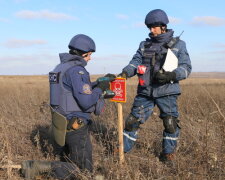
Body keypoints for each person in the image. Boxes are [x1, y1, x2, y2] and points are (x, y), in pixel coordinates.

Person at [21, 34, 115, 179]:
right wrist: (100, 89)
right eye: (90, 55)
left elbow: (71, 90)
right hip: (76, 126)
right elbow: (86, 101)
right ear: (84, 53)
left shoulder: (60, 68)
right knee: (84, 172)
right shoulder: (77, 71)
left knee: (69, 162)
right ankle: (36, 167)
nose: (90, 58)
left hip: (61, 125)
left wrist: (98, 82)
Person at [118, 9, 192, 163]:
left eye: (154, 27)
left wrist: (171, 75)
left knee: (170, 124)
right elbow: (135, 62)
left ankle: (168, 155)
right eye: (149, 27)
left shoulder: (179, 45)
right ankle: (121, 152)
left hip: (167, 92)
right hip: (145, 91)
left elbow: (186, 68)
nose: (152, 30)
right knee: (132, 122)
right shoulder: (144, 45)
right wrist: (125, 73)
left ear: (163, 26)